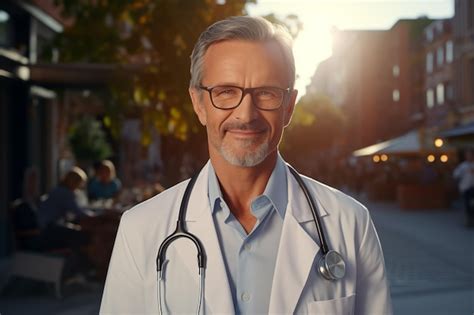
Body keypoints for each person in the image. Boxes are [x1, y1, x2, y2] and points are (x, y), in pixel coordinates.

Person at [101, 16, 392, 314]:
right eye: (225, 92)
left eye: (266, 92)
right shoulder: (140, 229)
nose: (246, 114)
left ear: (289, 107)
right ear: (199, 104)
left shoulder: (350, 223)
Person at [36, 166, 91, 250]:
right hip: (47, 228)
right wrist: (95, 215)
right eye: (79, 183)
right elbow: (77, 212)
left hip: (47, 225)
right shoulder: (65, 193)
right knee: (82, 235)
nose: (79, 186)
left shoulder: (59, 190)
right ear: (74, 182)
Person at [453, 149, 474, 227]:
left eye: (470, 155)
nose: (469, 157)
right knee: (467, 204)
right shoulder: (463, 166)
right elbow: (456, 174)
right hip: (466, 188)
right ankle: (469, 220)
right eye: (467, 155)